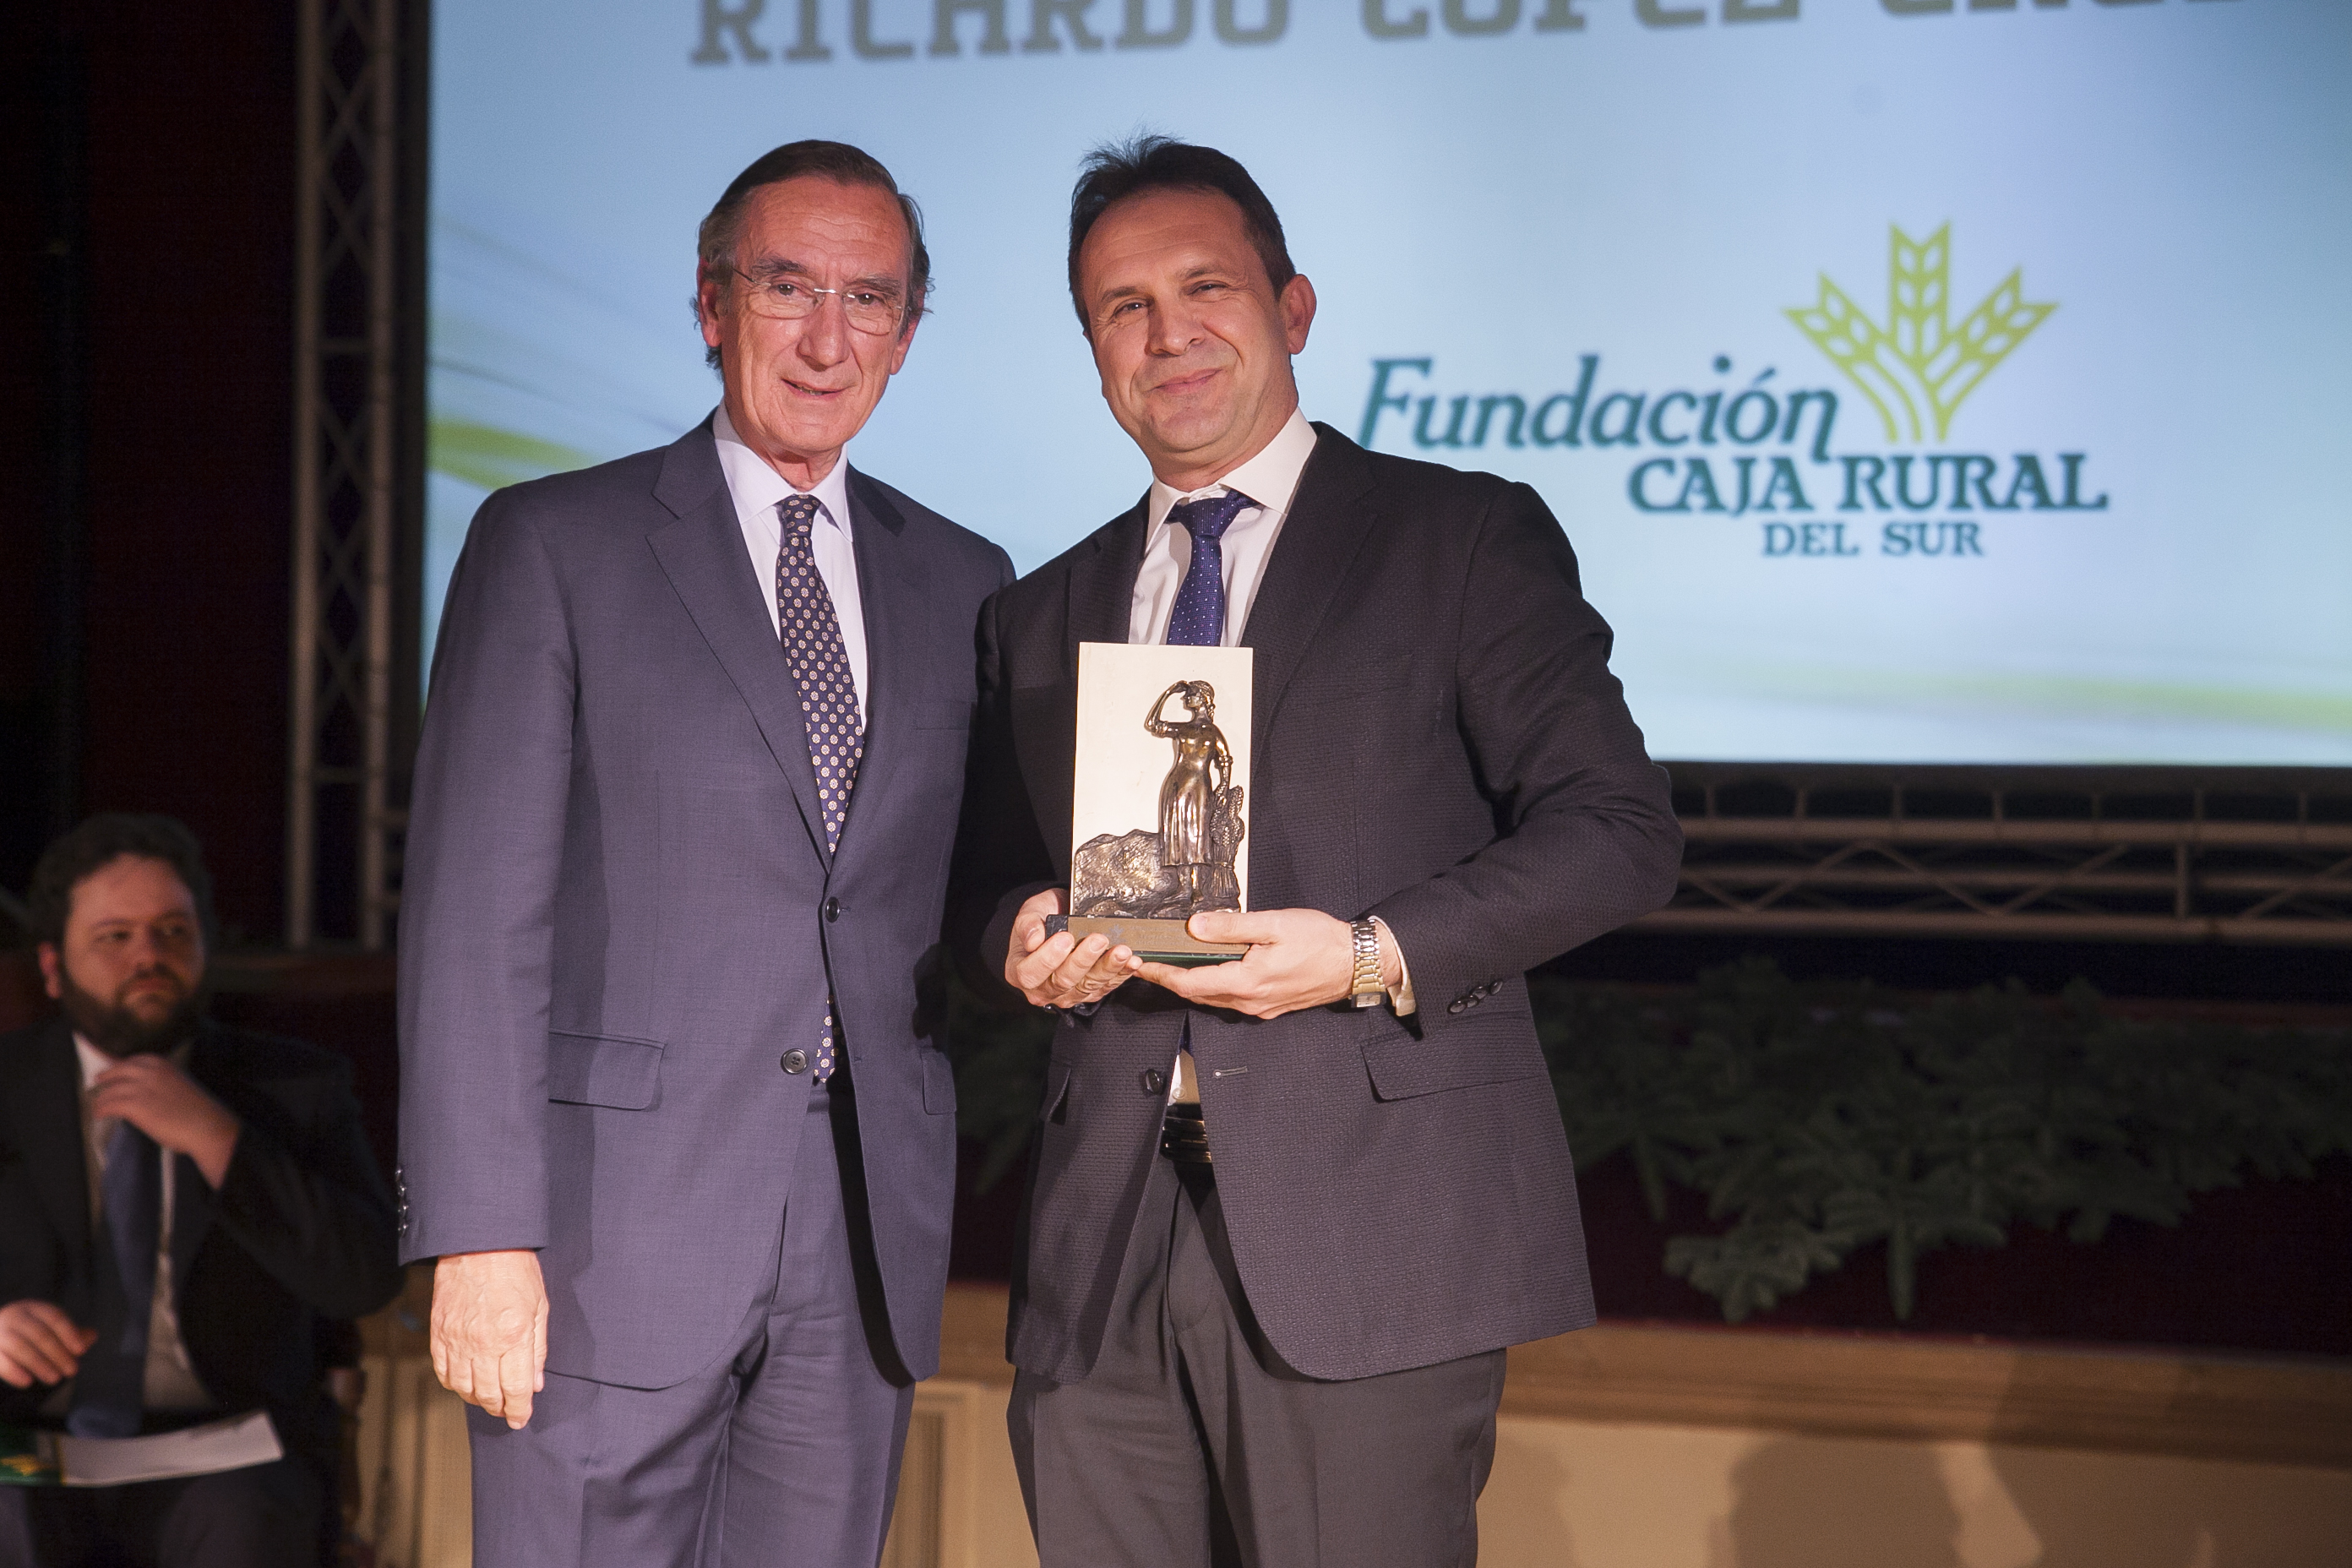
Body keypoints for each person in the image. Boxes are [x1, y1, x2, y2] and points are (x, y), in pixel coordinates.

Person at [950, 137, 1684, 1567]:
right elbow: (973, 889)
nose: (1167, 333)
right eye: (1122, 307)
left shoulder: (1455, 537)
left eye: (1204, 287)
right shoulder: (1038, 609)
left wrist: (1361, 956)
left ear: (1292, 306)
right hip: (1103, 1244)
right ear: (1092, 351)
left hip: (1370, 1230)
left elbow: (1616, 832)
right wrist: (1014, 940)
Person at [398, 140, 1012, 1567]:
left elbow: (960, 889)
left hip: (858, 1240)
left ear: (908, 333)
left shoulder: (964, 578)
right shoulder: (554, 543)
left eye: (869, 299)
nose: (825, 338)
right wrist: (481, 1236)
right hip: (602, 1236)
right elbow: (474, 918)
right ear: (710, 303)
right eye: (787, 287)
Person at [0, 814, 401, 1566]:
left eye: (173, 931)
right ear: (52, 967)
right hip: (26, 1442)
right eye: (115, 937)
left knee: (244, 1524)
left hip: (226, 1447)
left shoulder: (293, 1087)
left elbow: (364, 1278)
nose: (149, 956)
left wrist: (220, 1141)